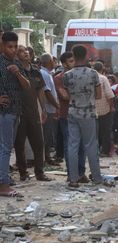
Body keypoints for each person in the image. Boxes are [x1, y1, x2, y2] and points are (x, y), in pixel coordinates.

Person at [63, 45, 104, 188]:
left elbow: (67, 94)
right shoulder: (93, 74)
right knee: (91, 145)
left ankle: (73, 179)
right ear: (86, 55)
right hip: (89, 112)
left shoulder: (67, 75)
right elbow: (99, 95)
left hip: (73, 112)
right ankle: (97, 178)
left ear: (73, 55)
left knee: (72, 145)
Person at [14, 45, 52, 182]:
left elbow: (40, 91)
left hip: (33, 112)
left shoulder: (36, 71)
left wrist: (43, 109)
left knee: (38, 143)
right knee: (19, 144)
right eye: (22, 51)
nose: (26, 53)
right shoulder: (15, 70)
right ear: (17, 55)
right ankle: (23, 173)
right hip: (18, 112)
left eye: (27, 51)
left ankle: (39, 172)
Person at [0, 31, 30, 197]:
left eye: (15, 46)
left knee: (5, 147)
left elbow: (27, 86)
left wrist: (17, 73)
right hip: (4, 112)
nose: (12, 50)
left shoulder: (17, 63)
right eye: (9, 47)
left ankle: (4, 178)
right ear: (3, 46)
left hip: (16, 111)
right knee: (5, 148)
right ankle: (3, 185)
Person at [54, 52, 88, 183]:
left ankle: (81, 172)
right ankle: (72, 173)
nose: (75, 63)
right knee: (71, 145)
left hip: (82, 114)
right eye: (71, 61)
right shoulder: (59, 78)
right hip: (67, 115)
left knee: (82, 146)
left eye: (75, 60)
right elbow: (65, 97)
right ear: (64, 64)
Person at [40, 53, 60, 164]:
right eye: (53, 60)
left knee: (48, 134)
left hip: (50, 108)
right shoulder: (44, 74)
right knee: (46, 134)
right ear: (49, 61)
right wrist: (57, 106)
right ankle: (45, 158)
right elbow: (47, 92)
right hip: (47, 109)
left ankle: (46, 157)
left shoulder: (48, 74)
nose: (55, 63)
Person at [94, 62, 115, 157]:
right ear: (102, 69)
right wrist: (112, 107)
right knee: (106, 131)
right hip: (104, 110)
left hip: (92, 110)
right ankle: (105, 151)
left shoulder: (89, 77)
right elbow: (109, 95)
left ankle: (95, 150)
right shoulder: (103, 78)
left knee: (94, 132)